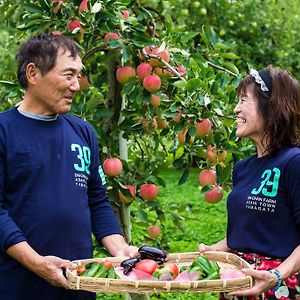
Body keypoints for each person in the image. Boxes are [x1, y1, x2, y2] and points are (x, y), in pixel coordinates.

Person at [0, 33, 137, 300]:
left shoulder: (83, 132)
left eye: (79, 76)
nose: (76, 85)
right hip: (18, 287)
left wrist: (119, 248)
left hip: (79, 285)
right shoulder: (4, 131)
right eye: (68, 75)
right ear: (33, 73)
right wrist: (37, 262)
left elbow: (96, 201)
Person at [199, 67, 300, 299]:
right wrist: (214, 250)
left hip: (278, 288)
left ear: (271, 106)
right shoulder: (242, 168)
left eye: (244, 100)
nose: (236, 109)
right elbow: (249, 233)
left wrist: (277, 274)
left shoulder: (294, 162)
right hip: (239, 283)